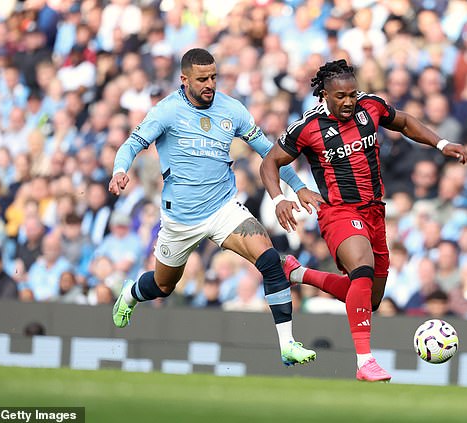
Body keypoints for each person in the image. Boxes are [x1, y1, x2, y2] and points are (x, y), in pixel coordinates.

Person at [110, 48, 321, 367]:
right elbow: (132, 144)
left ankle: (287, 343)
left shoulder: (232, 109)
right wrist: (120, 170)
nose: (210, 83)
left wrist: (300, 186)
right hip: (180, 219)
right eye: (202, 78)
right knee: (163, 286)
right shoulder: (166, 111)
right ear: (184, 79)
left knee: (269, 261)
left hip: (224, 210)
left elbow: (270, 153)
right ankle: (131, 293)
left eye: (213, 77)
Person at [260, 59, 467, 381]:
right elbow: (270, 163)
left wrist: (441, 143)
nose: (348, 101)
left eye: (352, 94)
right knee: (363, 269)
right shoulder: (308, 127)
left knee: (368, 298)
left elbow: (405, 122)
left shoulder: (370, 107)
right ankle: (365, 361)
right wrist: (279, 199)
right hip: (339, 211)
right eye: (340, 96)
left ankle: (296, 272)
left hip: (374, 211)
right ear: (324, 95)